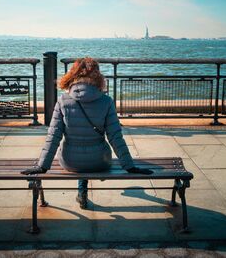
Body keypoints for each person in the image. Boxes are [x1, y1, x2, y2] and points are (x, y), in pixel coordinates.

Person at [21, 57, 153, 209]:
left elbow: (53, 136)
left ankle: (81, 192)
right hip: (99, 161)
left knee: (72, 151)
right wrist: (130, 166)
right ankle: (82, 192)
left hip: (70, 162)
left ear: (73, 74)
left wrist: (42, 167)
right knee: (93, 151)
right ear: (97, 75)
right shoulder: (106, 101)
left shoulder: (63, 100)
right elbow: (115, 137)